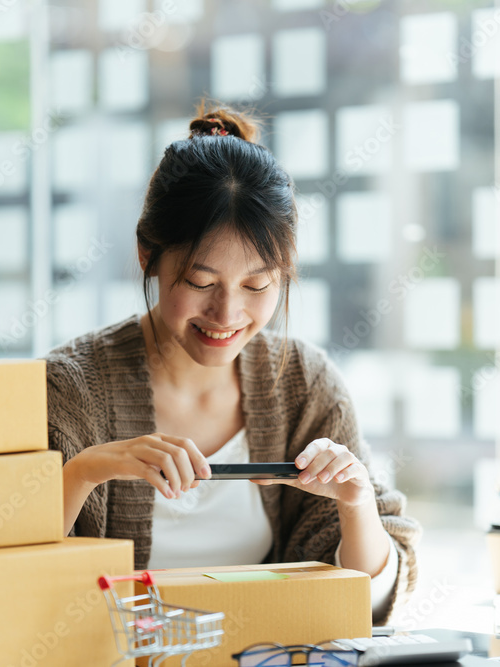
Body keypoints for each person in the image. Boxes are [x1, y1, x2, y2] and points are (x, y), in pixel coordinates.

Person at [44, 102, 420, 622]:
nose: (226, 314)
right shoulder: (69, 390)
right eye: (200, 283)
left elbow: (370, 608)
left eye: (257, 285)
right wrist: (84, 472)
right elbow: (3, 577)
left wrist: (355, 505)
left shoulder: (304, 386)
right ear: (146, 255)